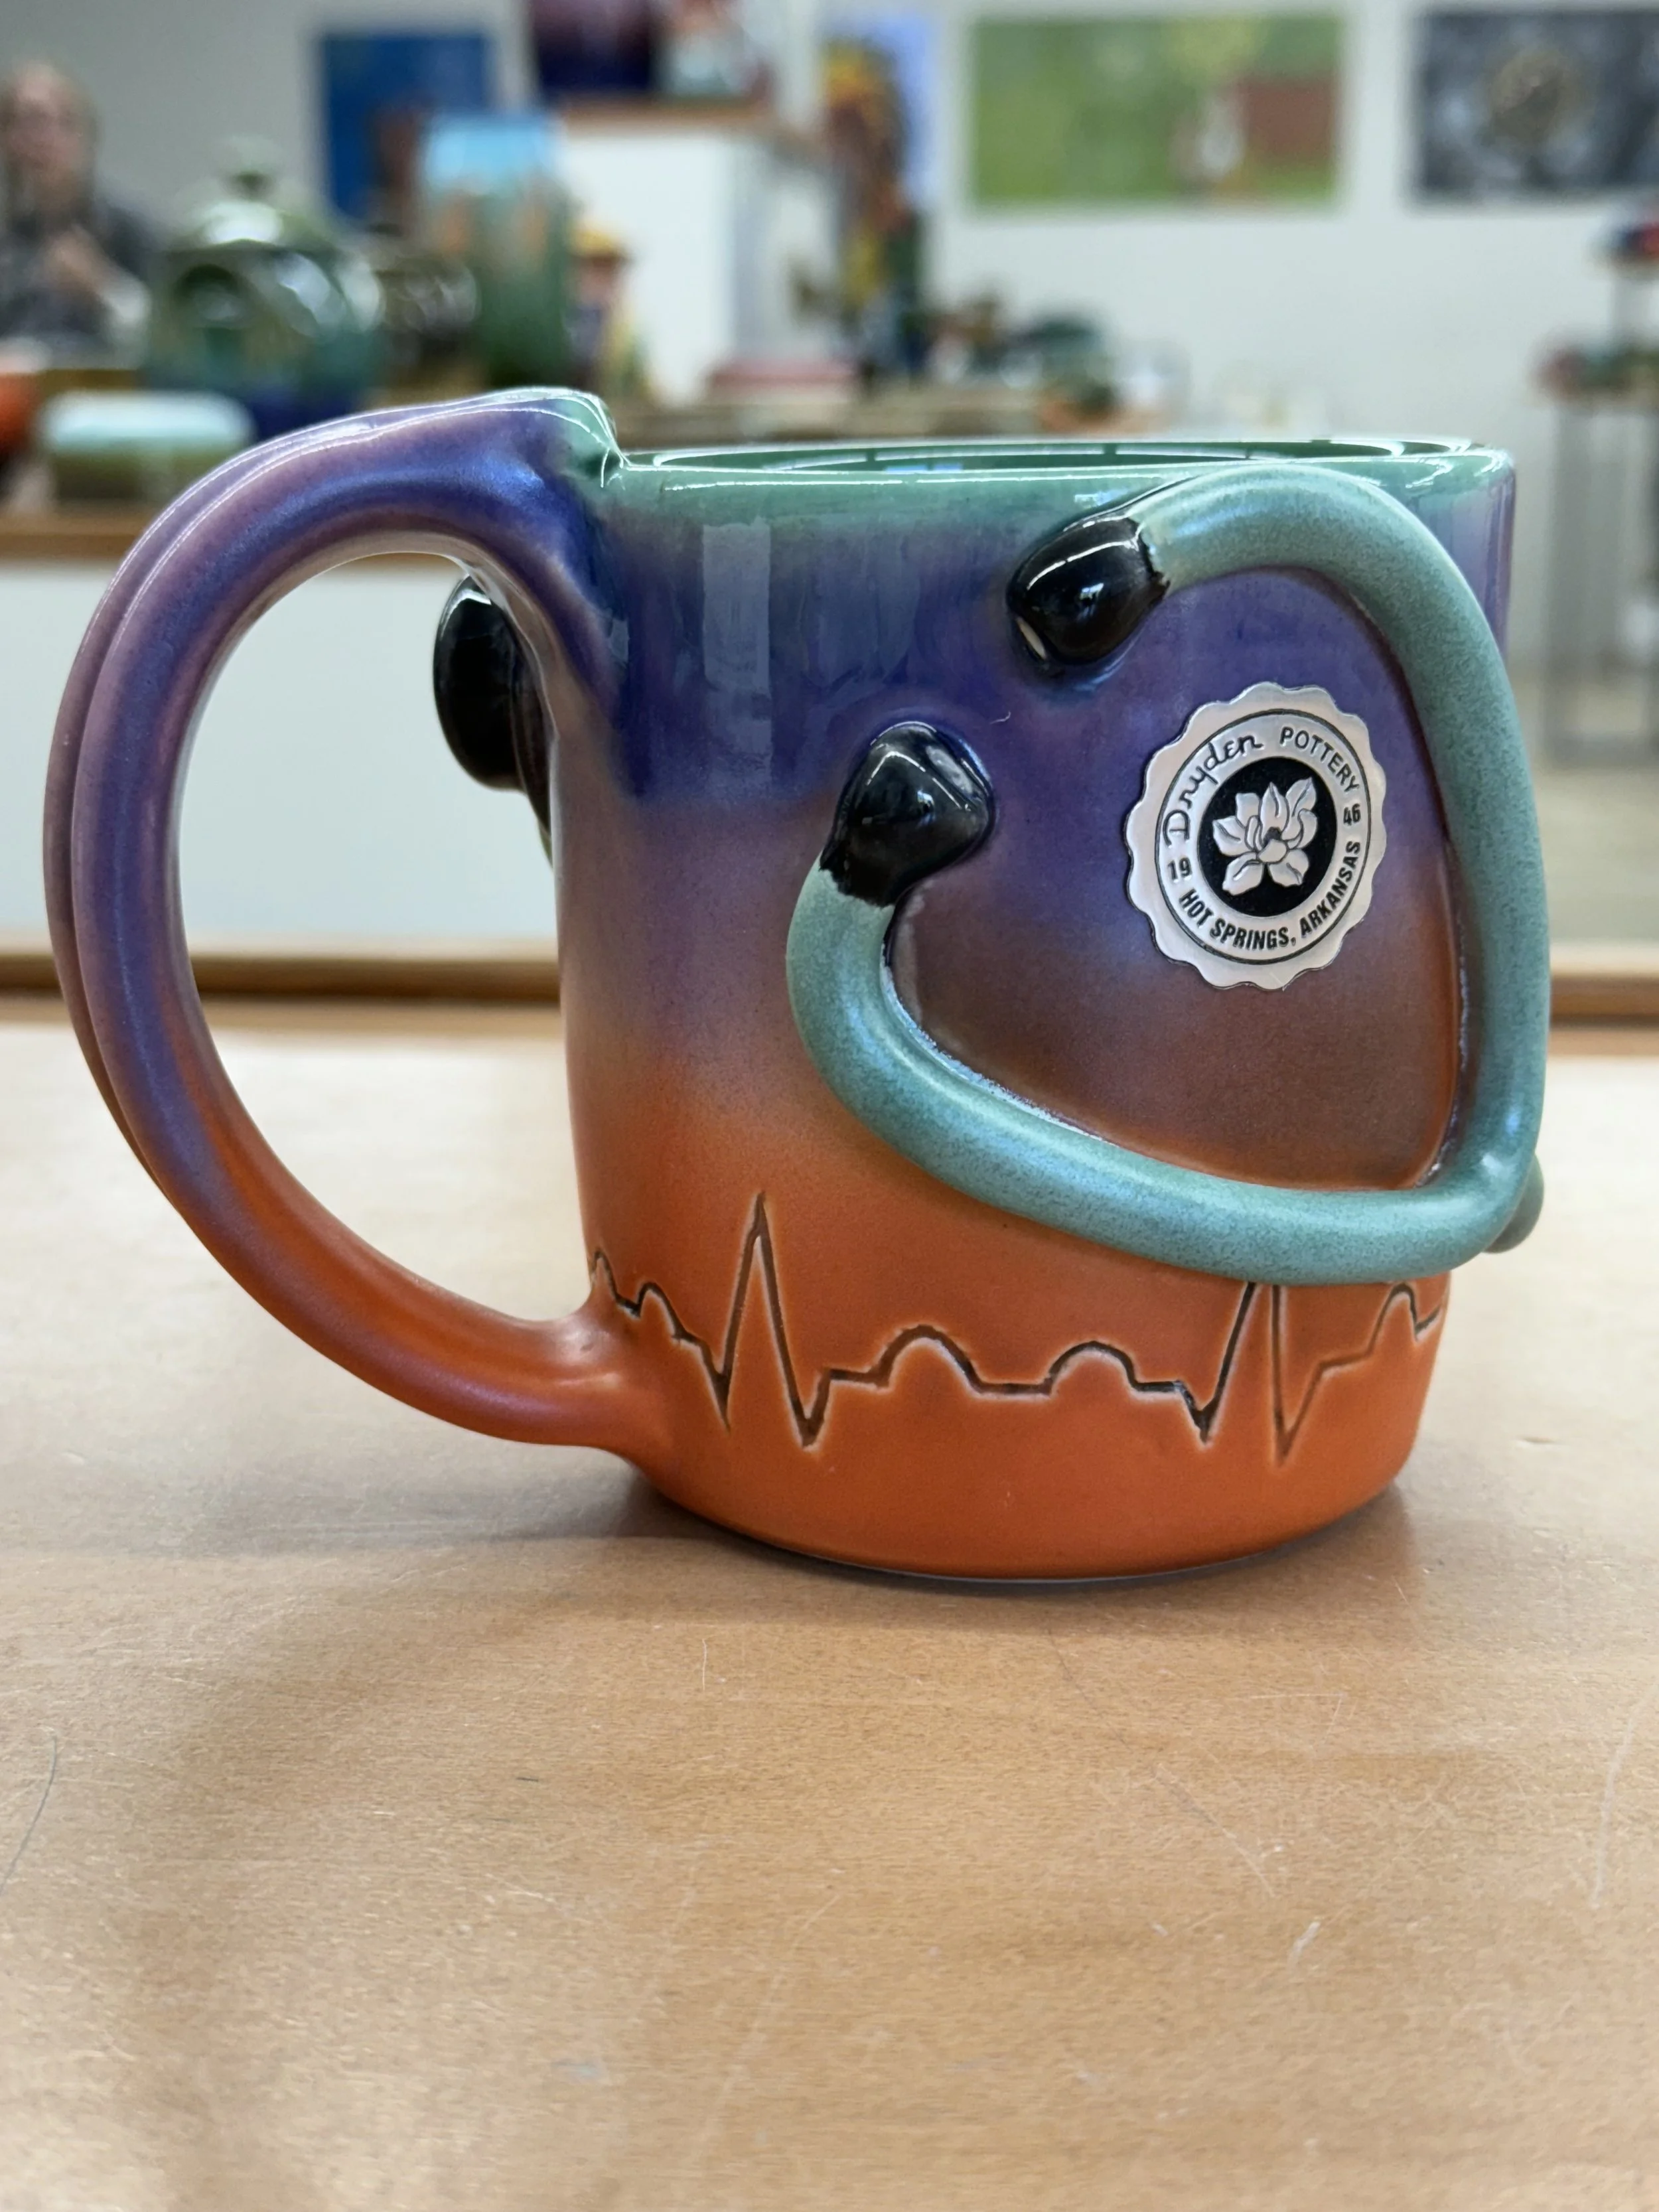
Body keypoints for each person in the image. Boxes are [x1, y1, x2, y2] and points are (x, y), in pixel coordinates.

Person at [0, 62, 155, 353]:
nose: (33, 142)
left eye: (42, 122)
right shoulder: (10, 238)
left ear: (81, 134)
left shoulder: (127, 226)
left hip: (107, 392)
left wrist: (105, 289)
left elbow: (172, 339)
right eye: (16, 125)